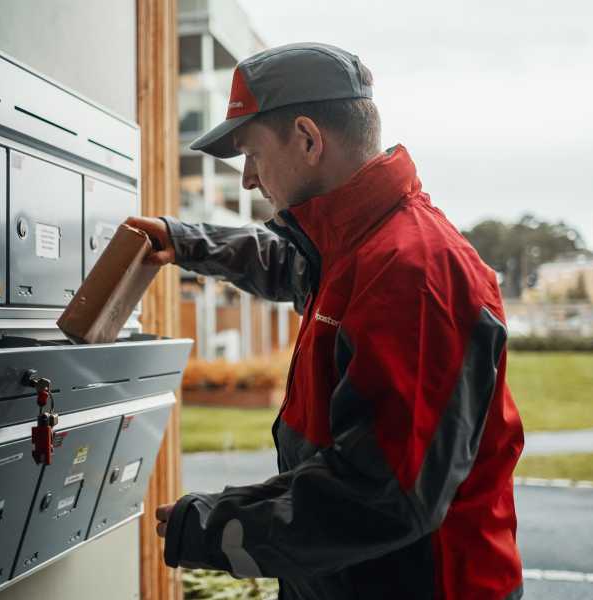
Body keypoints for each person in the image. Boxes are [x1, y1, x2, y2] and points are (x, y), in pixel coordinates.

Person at [126, 42, 524, 600]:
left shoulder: (416, 273)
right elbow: (285, 262)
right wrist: (185, 241)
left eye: (252, 154)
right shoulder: (350, 250)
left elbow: (383, 497)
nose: (247, 179)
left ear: (309, 140)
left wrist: (216, 526)